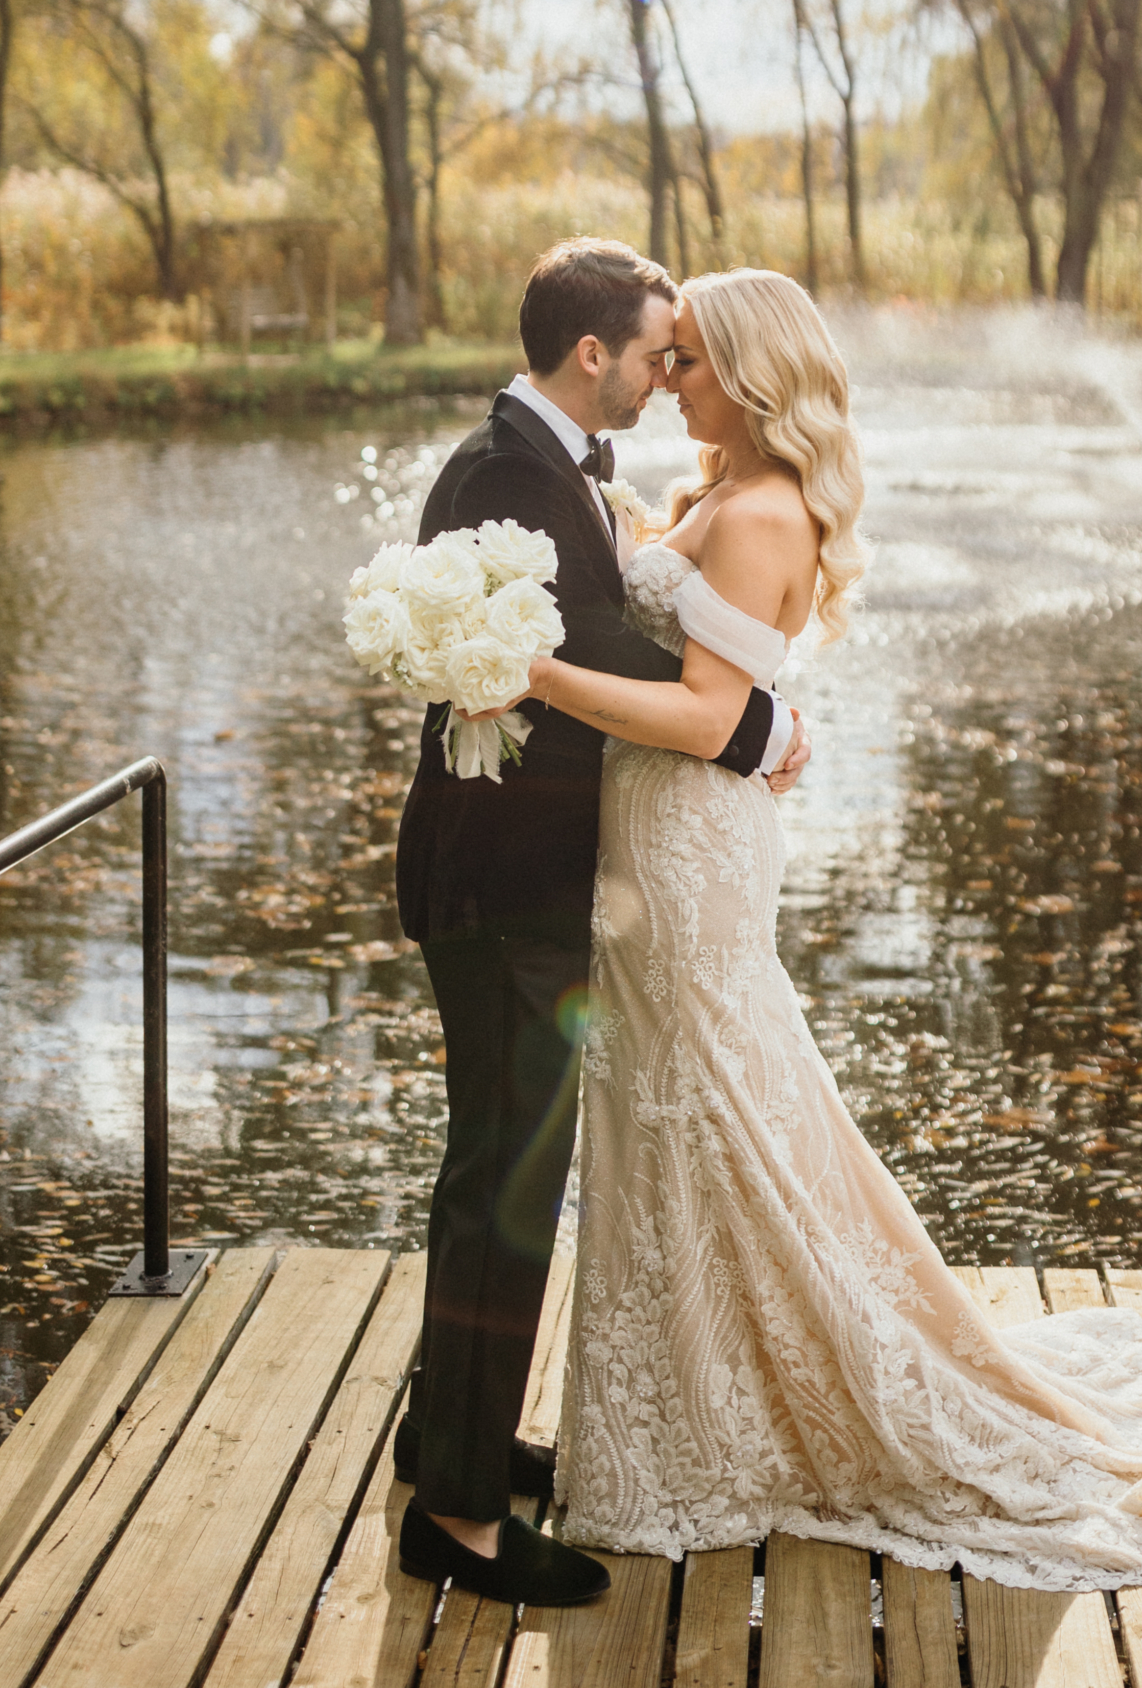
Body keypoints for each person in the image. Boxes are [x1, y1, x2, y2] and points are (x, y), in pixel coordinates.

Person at [508, 266, 1142, 1589]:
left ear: (753, 376)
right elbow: (704, 675)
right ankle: (674, 1411)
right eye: (668, 362)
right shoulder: (716, 492)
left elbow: (706, 714)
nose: (672, 382)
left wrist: (536, 673)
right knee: (676, 1103)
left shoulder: (762, 510)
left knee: (702, 1100)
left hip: (688, 852)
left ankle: (730, 1422)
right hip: (659, 841)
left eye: (694, 364)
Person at [389, 238, 809, 1612]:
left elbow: (599, 639)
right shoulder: (512, 475)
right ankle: (453, 1516)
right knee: (507, 1187)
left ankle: (450, 1441)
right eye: (653, 351)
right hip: (505, 890)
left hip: (514, 885)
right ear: (593, 356)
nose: (662, 370)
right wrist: (762, 725)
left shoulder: (536, 467)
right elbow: (604, 661)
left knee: (491, 1175)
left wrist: (746, 708)